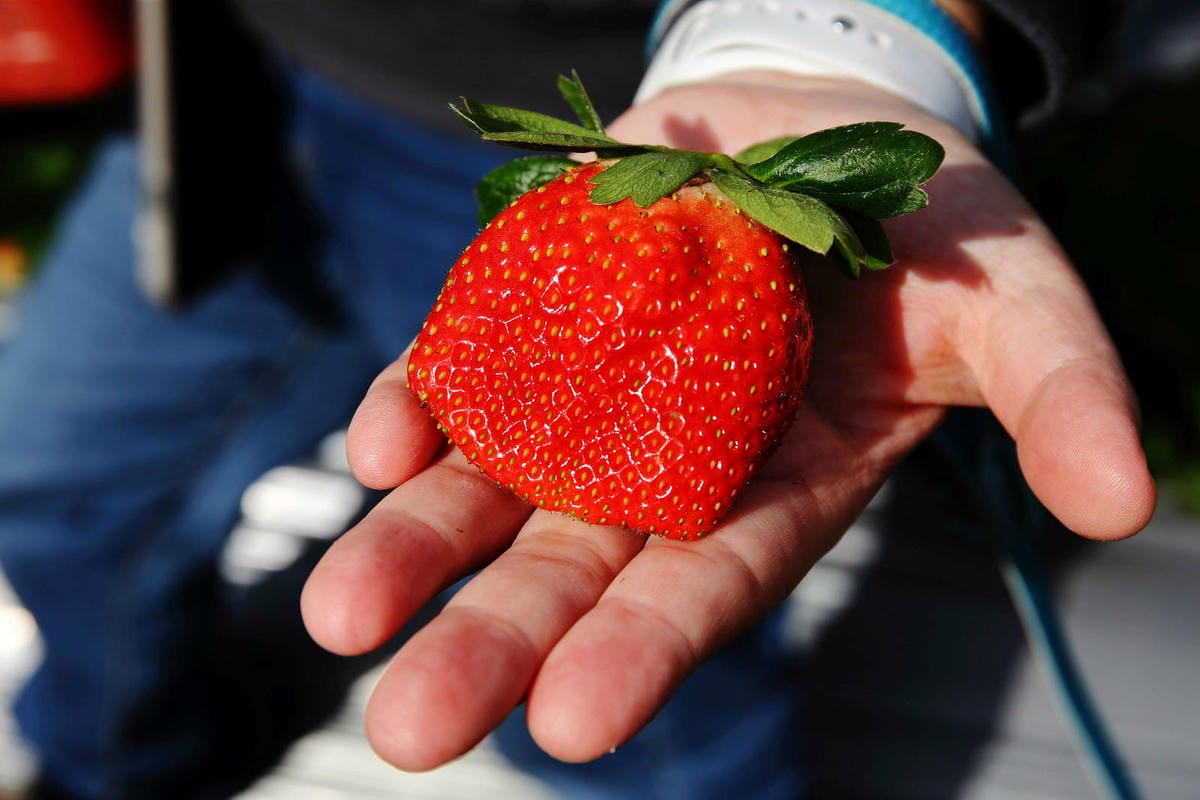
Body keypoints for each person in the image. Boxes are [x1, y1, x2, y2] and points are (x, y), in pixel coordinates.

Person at [0, 0, 1160, 798]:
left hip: (624, 101)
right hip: (231, 81)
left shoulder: (654, 228)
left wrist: (835, 38)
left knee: (616, 701)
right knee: (56, 484)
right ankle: (125, 765)